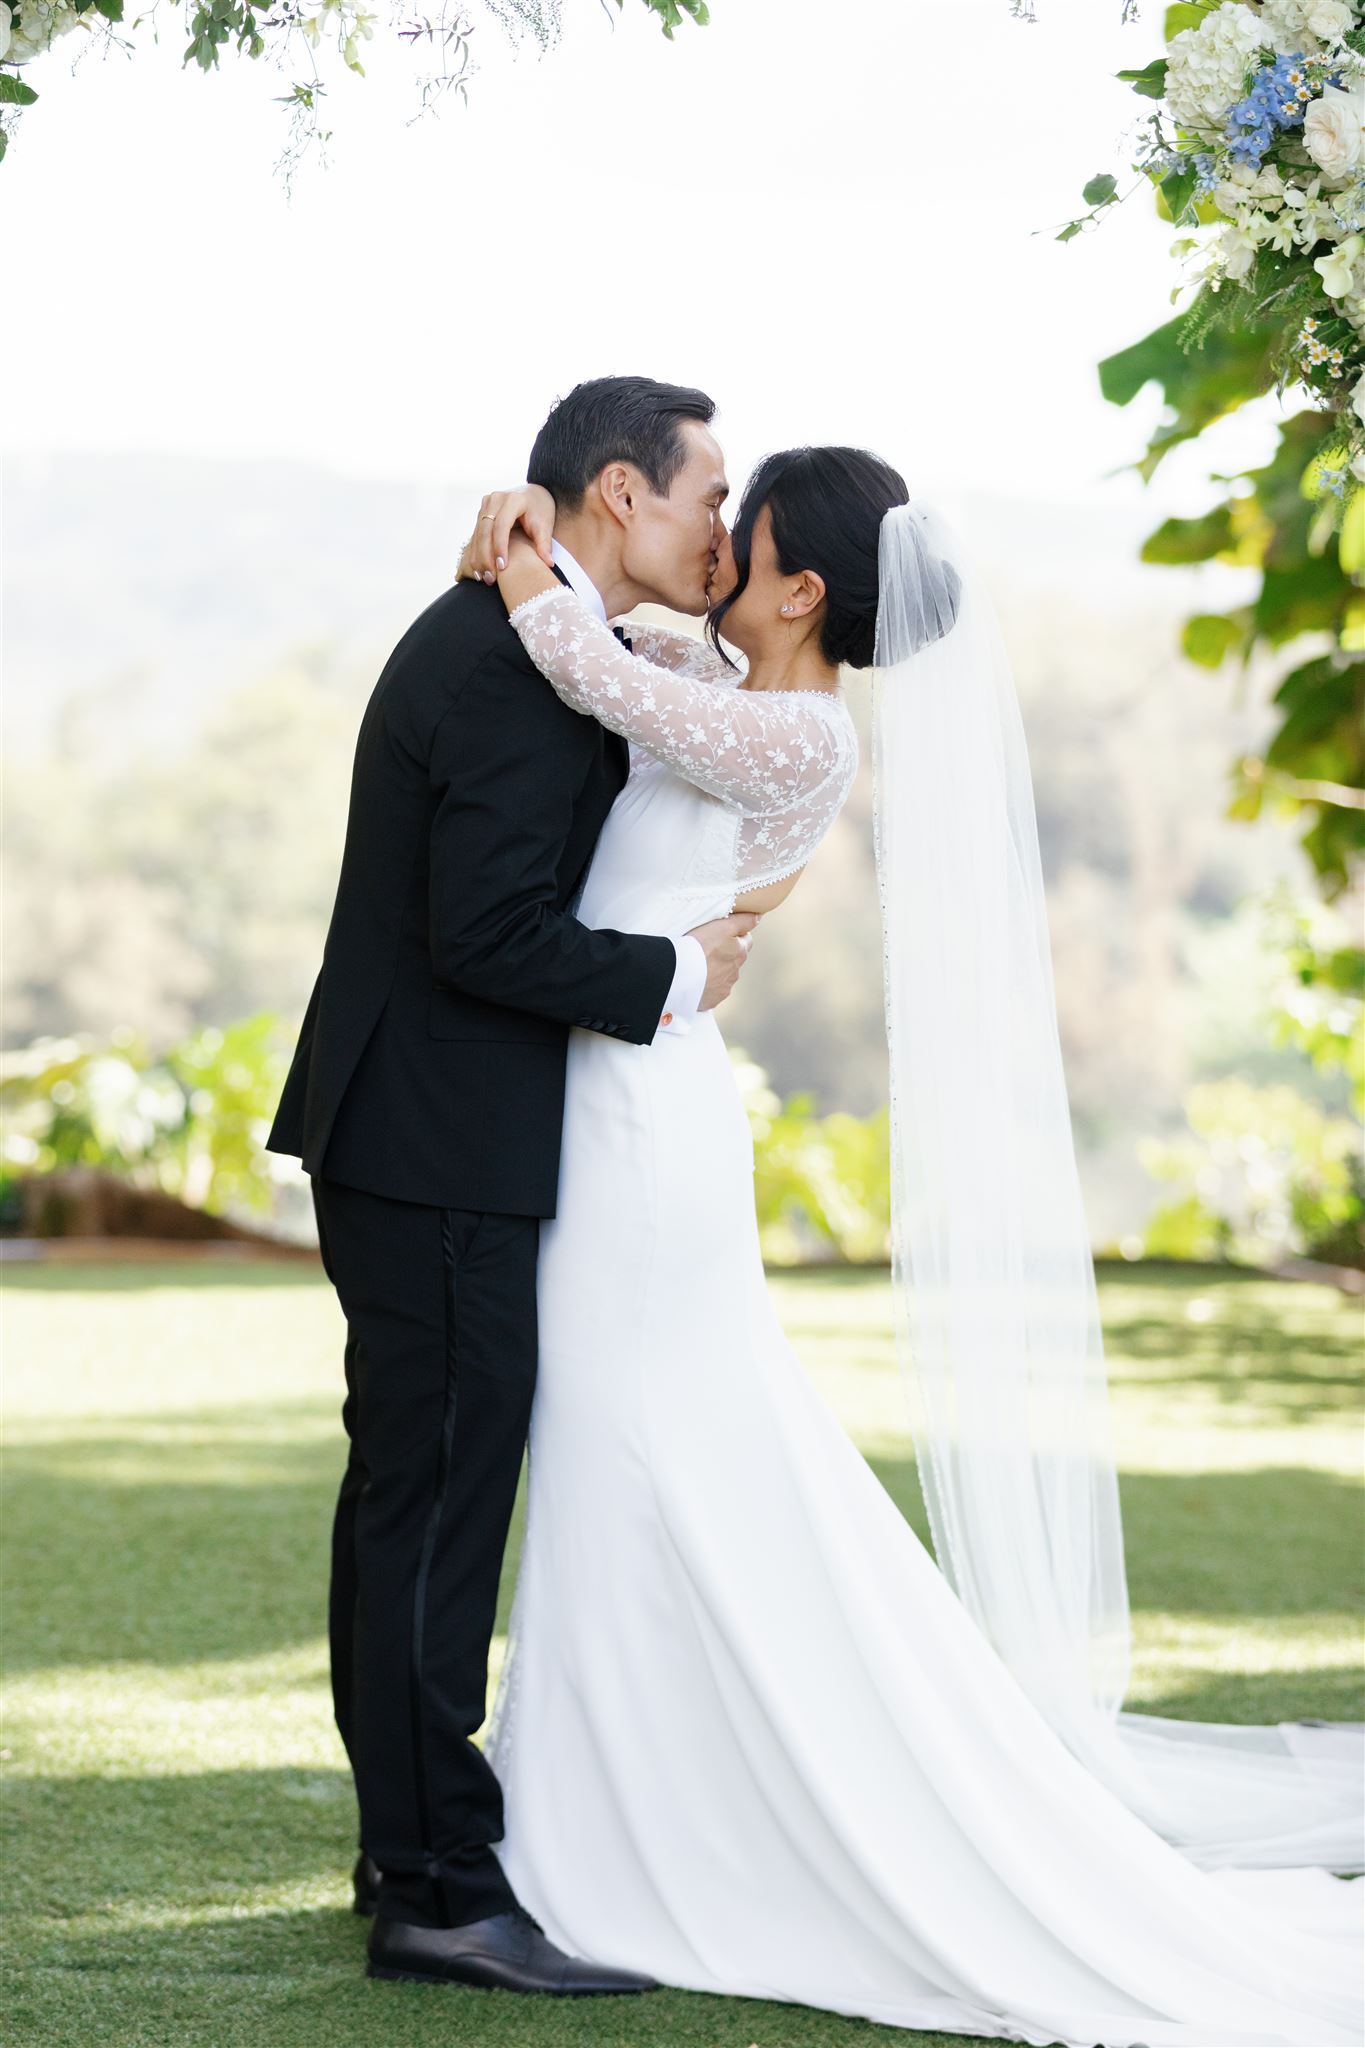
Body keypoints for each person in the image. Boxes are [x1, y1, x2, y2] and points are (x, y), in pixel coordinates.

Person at [435, 448, 1364, 2045]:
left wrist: (527, 563)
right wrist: (539, 538)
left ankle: (608, 1833)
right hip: (607, 1105)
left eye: (742, 531)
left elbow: (589, 666)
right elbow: (619, 650)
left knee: (624, 1442)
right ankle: (591, 1800)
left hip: (644, 1138)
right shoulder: (714, 685)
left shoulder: (797, 735)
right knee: (613, 1454)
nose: (713, 542)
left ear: (803, 590)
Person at [265, 376, 761, 1994]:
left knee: (410, 1498)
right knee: (433, 1505)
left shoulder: (535, 631)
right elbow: (483, 934)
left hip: (424, 1130)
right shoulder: (504, 665)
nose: (721, 527)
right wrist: (672, 973)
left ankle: (402, 1846)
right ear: (620, 492)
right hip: (433, 1138)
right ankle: (437, 1887)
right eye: (706, 495)